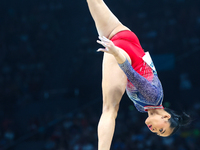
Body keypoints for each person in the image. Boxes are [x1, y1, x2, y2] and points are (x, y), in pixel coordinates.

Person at [86, 0, 191, 149]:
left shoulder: (143, 107)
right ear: (165, 116)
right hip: (122, 54)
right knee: (110, 109)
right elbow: (132, 74)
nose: (155, 131)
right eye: (162, 129)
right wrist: (115, 52)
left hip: (123, 34)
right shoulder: (153, 97)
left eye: (158, 133)